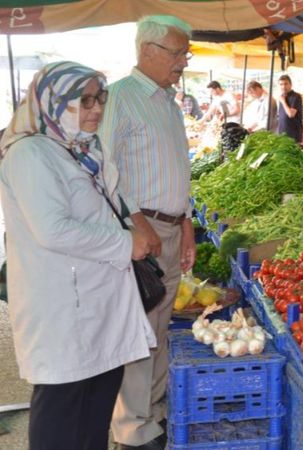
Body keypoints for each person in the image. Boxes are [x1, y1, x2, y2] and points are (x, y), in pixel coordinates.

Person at [0, 61, 155, 450]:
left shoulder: (83, 149)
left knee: (95, 410)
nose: (96, 109)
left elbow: (110, 199)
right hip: (61, 308)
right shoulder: (31, 154)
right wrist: (125, 243)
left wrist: (134, 226)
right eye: (83, 101)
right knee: (62, 409)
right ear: (53, 102)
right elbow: (52, 229)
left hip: (99, 301)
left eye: (99, 99)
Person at [98, 15, 196, 450]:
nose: (183, 62)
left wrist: (187, 224)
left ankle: (153, 414)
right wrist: (137, 221)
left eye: (184, 53)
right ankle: (132, 429)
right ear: (148, 51)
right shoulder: (120, 98)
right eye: (177, 53)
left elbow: (179, 171)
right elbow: (104, 167)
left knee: (160, 327)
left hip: (170, 229)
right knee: (138, 330)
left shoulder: (169, 103)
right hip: (142, 231)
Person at [276, 74, 303, 142]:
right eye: (281, 84)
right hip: (282, 133)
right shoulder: (282, 97)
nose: (283, 86)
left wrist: (283, 102)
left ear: (290, 85)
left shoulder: (296, 96)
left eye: (286, 84)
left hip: (293, 134)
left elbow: (291, 114)